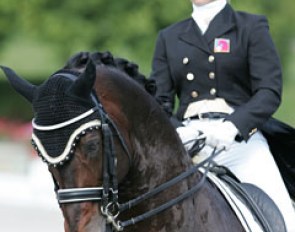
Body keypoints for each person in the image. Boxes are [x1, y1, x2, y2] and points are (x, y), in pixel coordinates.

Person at [149, 0, 295, 231]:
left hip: (241, 144)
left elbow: (269, 91)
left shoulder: (250, 27)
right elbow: (158, 102)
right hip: (187, 143)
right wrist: (176, 130)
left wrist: (233, 126)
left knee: (286, 216)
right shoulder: (170, 36)